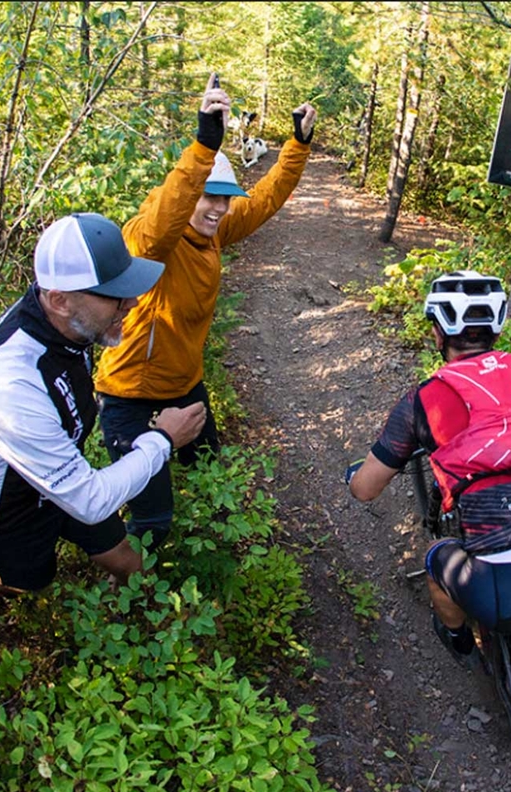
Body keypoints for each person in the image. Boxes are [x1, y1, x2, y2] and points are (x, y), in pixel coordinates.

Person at [346, 271, 511, 713]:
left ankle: (461, 643)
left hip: (497, 585)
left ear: (437, 332)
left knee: (436, 562)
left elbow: (366, 489)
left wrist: (352, 477)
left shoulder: (424, 400)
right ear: (498, 326)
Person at [94, 72, 318, 549]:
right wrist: (203, 147)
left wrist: (295, 147)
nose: (218, 208)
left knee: (215, 484)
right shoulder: (149, 241)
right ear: (188, 192)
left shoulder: (212, 233)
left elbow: (261, 202)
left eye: (223, 198)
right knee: (152, 520)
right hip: (131, 398)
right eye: (208, 196)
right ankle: (135, 601)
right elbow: (166, 216)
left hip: (185, 387)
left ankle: (211, 577)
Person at [0, 212, 208, 593]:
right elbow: (89, 500)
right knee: (30, 581)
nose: (133, 302)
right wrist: (164, 440)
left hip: (64, 470)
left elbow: (83, 494)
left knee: (125, 555)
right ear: (59, 300)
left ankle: (135, 604)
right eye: (115, 295)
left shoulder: (72, 327)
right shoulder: (11, 384)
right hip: (9, 504)